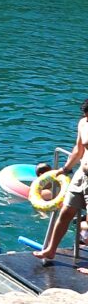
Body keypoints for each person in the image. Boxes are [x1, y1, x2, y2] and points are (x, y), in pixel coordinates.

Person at [33, 98, 88, 264]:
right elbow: (78, 149)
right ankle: (50, 250)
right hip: (81, 175)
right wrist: (65, 168)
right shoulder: (83, 123)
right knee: (65, 212)